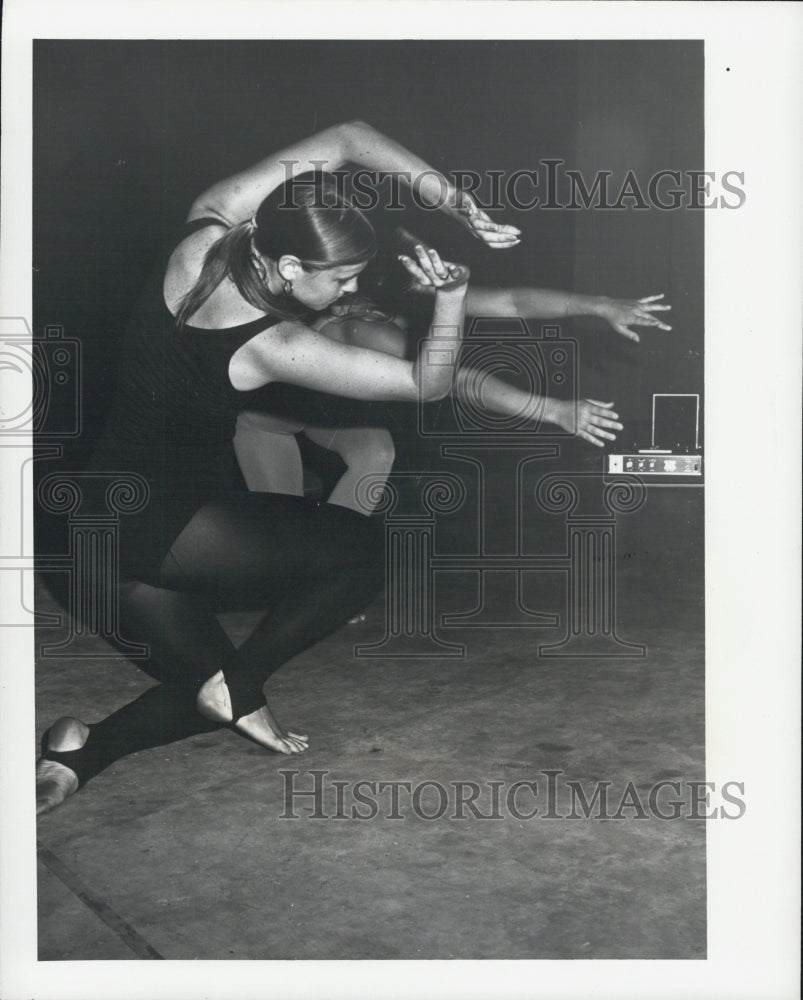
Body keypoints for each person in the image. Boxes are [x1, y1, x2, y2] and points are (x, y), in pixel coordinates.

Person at [35, 120, 522, 815]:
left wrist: (457, 205)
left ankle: (79, 750)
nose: (349, 291)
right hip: (158, 536)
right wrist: (449, 297)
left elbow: (349, 137)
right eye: (343, 278)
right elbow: (428, 385)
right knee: (363, 552)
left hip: (79, 538)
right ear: (291, 269)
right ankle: (241, 683)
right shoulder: (272, 344)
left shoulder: (204, 232)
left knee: (212, 695)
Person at [231, 254, 671, 514]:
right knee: (282, 529)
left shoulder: (405, 301)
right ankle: (303, 575)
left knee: (376, 449)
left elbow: (511, 300)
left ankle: (330, 564)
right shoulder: (357, 328)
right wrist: (552, 411)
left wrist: (599, 305)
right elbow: (456, 382)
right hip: (267, 423)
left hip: (321, 416)